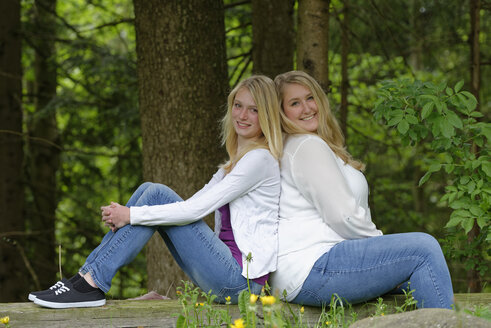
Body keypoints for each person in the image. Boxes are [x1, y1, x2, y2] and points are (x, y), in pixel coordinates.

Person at [29, 75, 283, 309]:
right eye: (238, 105)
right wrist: (133, 214)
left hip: (240, 282)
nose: (242, 115)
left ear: (268, 116)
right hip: (226, 273)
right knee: (148, 190)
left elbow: (195, 210)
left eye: (254, 110)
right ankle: (86, 279)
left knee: (156, 194)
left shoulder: (259, 160)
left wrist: (131, 215)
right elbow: (194, 203)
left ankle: (90, 282)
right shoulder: (236, 161)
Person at [270, 70, 454, 309]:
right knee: (423, 250)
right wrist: (379, 245)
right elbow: (342, 215)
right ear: (281, 112)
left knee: (423, 280)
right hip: (313, 267)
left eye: (310, 98)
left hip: (309, 271)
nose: (307, 108)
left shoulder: (306, 146)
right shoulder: (306, 145)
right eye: (295, 103)